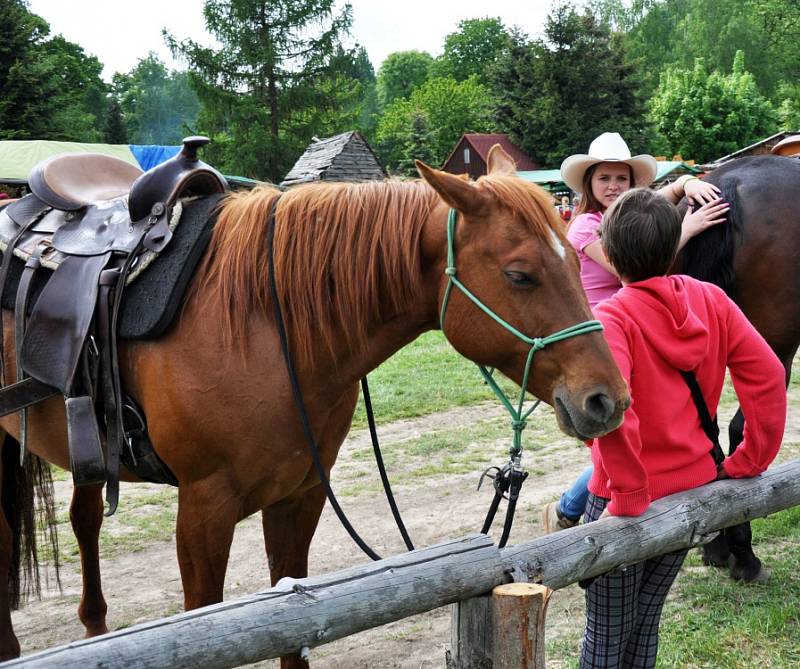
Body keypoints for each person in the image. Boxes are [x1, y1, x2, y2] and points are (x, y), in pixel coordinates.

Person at [576, 187, 785, 669]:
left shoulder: (612, 316)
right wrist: (751, 459)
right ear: (674, 244)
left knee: (605, 637)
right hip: (695, 488)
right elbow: (769, 374)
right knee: (646, 623)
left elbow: (615, 411)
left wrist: (627, 493)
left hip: (627, 497)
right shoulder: (711, 299)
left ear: (611, 249)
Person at [542, 132, 729, 532]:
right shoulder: (585, 228)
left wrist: (687, 183)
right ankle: (570, 506)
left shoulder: (624, 213)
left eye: (622, 179)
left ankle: (571, 508)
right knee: (619, 427)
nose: (613, 186)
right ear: (589, 184)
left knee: (629, 428)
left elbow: (656, 205)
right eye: (604, 179)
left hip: (636, 323)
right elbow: (632, 265)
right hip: (604, 331)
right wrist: (688, 228)